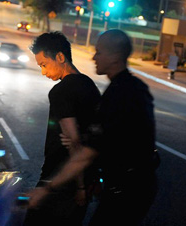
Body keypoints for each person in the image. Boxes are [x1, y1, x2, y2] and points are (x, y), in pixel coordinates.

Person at [27, 29, 159, 226]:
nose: (94, 56)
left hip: (117, 187)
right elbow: (108, 139)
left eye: (99, 52)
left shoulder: (115, 95)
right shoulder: (117, 87)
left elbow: (83, 148)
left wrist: (50, 187)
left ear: (115, 57)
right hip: (132, 185)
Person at [24, 31, 101, 226]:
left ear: (60, 57)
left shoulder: (60, 92)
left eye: (44, 65)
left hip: (59, 180)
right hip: (85, 178)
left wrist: (80, 187)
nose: (43, 72)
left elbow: (73, 142)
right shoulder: (90, 86)